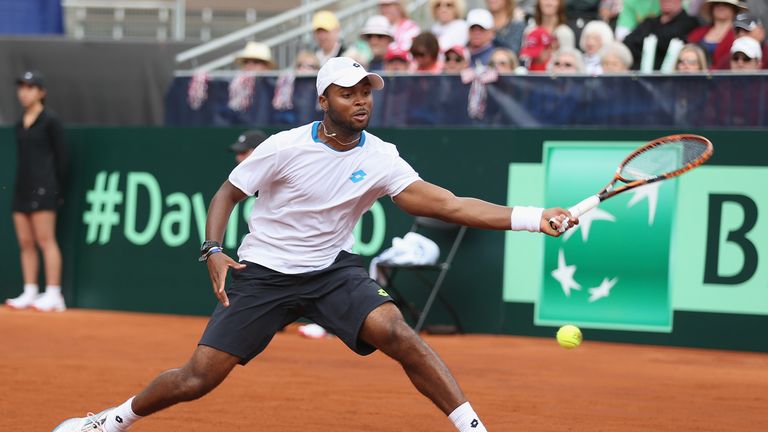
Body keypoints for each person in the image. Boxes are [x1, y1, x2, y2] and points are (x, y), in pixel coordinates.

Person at [52, 57, 577, 432]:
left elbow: (448, 204)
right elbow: (226, 194)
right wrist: (212, 249)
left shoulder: (382, 156)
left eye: (367, 93)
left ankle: (471, 426)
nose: (361, 102)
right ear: (324, 99)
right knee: (198, 378)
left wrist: (533, 217)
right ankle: (113, 419)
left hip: (332, 272)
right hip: (263, 274)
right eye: (349, 94)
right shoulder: (282, 147)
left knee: (398, 333)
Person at [5, 71, 67, 312]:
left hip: (45, 187)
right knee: (25, 241)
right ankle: (30, 290)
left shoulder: (51, 121)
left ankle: (54, 293)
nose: (24, 92)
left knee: (45, 240)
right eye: (21, 87)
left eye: (30, 87)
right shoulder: (20, 122)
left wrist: (56, 188)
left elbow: (62, 159)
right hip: (22, 187)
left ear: (41, 93)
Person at [622, 0, 699, 70]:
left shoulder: (689, 22)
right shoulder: (649, 21)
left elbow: (666, 39)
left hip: (671, 78)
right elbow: (627, 42)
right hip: (640, 76)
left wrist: (644, 40)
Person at [687, 0, 747, 67]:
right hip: (696, 76)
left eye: (725, 4)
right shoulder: (697, 33)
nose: (721, 7)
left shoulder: (740, 35)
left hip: (724, 76)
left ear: (734, 9)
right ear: (712, 8)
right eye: (717, 4)